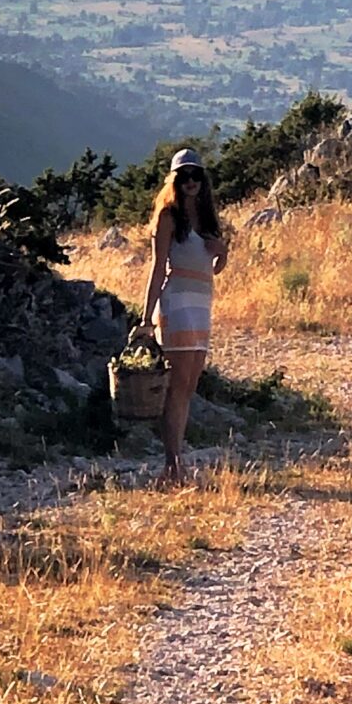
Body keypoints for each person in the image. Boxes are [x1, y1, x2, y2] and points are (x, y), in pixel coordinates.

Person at [138, 148, 229, 484]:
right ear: (175, 180)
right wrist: (146, 318)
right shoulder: (167, 218)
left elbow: (215, 267)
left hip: (201, 304)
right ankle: (172, 464)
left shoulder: (206, 218)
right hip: (176, 304)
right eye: (184, 176)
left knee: (189, 386)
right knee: (177, 386)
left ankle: (175, 462)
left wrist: (223, 252)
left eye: (196, 175)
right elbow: (158, 267)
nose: (191, 182)